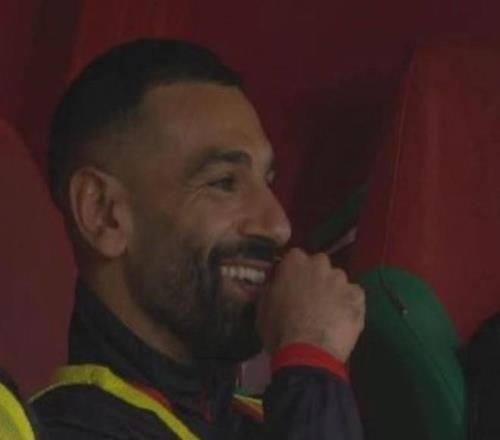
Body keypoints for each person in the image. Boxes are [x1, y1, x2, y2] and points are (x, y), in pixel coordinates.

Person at [31, 39, 365, 439]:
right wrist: (313, 359)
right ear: (104, 214)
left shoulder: (257, 415)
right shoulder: (66, 430)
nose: (278, 225)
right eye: (224, 183)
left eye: (267, 181)